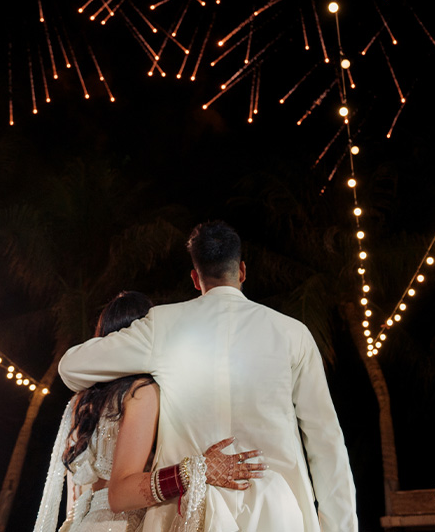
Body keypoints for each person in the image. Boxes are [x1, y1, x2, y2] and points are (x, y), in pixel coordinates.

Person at [58, 222, 358, 532]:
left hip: (184, 515)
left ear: (195, 277)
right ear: (242, 271)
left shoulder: (164, 325)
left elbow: (71, 367)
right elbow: (326, 443)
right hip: (278, 516)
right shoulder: (293, 334)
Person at [33, 290, 266, 532]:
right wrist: (198, 469)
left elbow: (79, 490)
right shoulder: (141, 392)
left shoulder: (82, 401)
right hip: (123, 523)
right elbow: (120, 495)